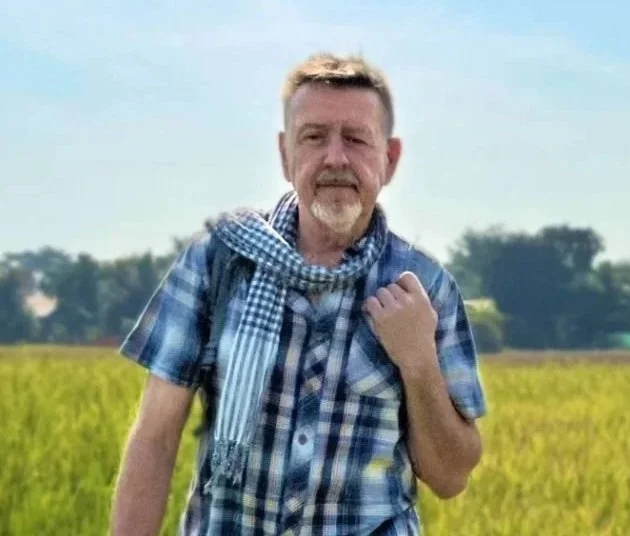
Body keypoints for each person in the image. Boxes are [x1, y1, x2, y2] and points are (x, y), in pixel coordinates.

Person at [110, 52, 487, 536]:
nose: (335, 158)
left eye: (355, 138)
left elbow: (450, 476)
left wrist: (418, 361)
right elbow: (155, 440)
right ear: (286, 154)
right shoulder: (216, 262)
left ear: (388, 159)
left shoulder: (424, 287)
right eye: (314, 137)